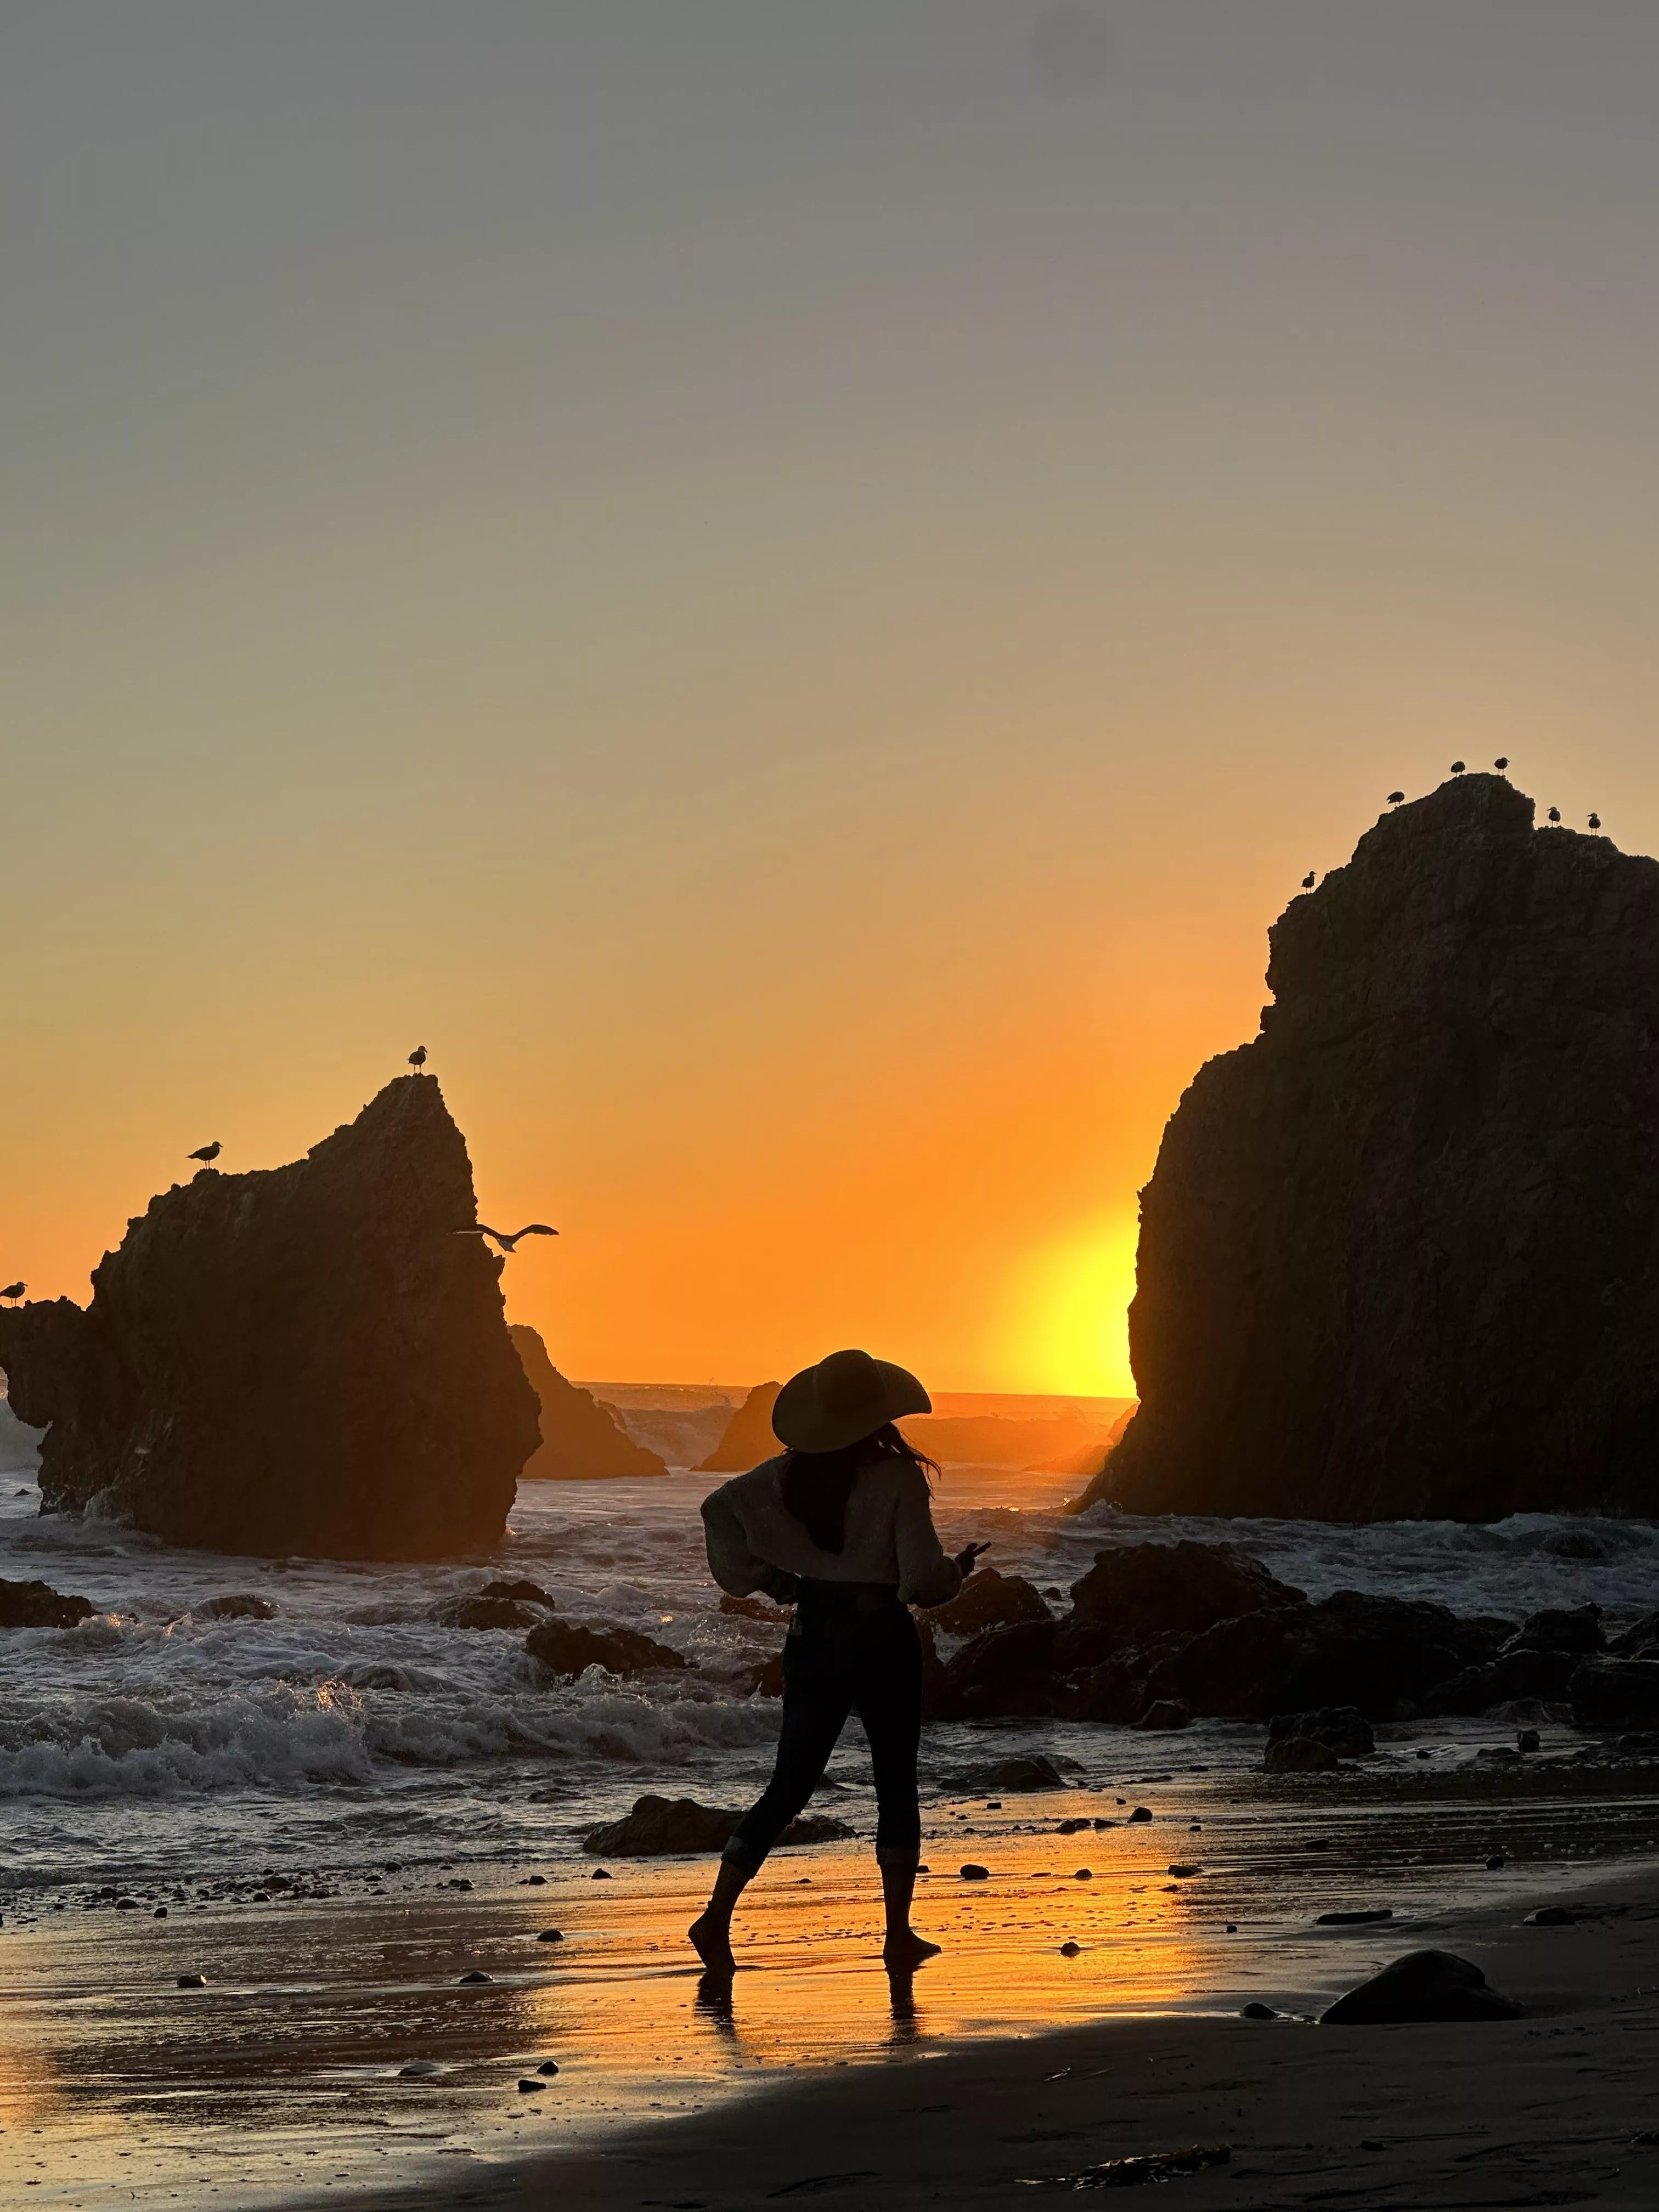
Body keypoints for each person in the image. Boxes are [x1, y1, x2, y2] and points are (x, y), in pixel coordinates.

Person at [692, 1347, 986, 1974]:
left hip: (815, 1635)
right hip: (881, 1640)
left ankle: (716, 1918)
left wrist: (770, 1581)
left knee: (789, 1787)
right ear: (881, 1410)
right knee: (895, 1784)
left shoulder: (789, 1476)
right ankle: (897, 1935)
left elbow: (717, 1511)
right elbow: (919, 1584)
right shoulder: (898, 1478)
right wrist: (957, 1573)